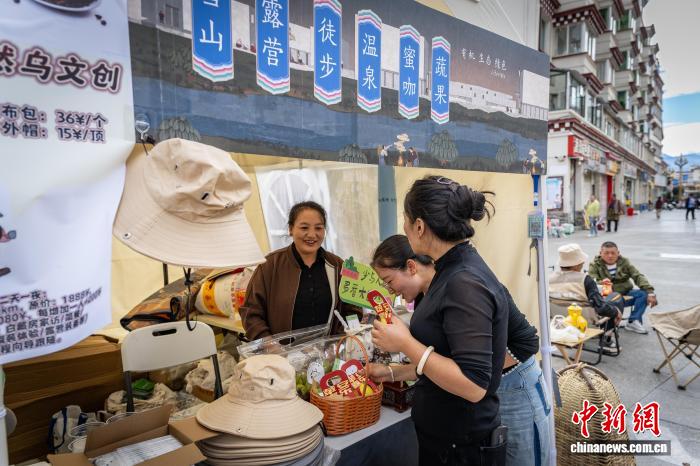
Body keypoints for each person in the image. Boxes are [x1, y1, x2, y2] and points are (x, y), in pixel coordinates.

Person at [370, 235, 549, 466]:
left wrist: (480, 373)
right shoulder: (428, 294)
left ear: (412, 266)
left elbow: (526, 343)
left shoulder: (465, 285)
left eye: (389, 281)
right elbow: (439, 362)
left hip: (514, 385)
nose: (391, 291)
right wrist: (392, 372)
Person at [369, 176, 509, 465]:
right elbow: (444, 358)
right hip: (446, 438)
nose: (404, 228)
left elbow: (473, 384)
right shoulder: (451, 270)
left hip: (461, 445)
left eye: (406, 221)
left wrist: (405, 343)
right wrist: (394, 373)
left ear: (419, 226)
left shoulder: (463, 281)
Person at [240, 201, 360, 340]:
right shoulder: (269, 266)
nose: (312, 234)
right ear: (291, 229)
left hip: (329, 351)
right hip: (282, 351)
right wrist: (270, 345)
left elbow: (353, 309)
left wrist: (342, 339)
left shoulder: (338, 265)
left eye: (318, 228)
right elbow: (250, 313)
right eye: (304, 227)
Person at [549, 244, 624, 352]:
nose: (583, 263)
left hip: (562, 322)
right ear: (577, 264)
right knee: (616, 297)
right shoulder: (585, 279)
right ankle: (606, 339)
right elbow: (601, 308)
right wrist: (616, 312)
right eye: (581, 261)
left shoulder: (549, 279)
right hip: (586, 323)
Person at [588, 241, 657, 334]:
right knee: (608, 293)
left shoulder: (624, 262)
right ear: (600, 253)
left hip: (625, 294)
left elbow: (637, 276)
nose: (610, 256)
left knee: (643, 294)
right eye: (606, 253)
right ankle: (610, 324)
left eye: (613, 253)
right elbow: (592, 280)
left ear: (618, 253)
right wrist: (602, 282)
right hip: (608, 297)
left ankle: (633, 321)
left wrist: (650, 292)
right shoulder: (594, 264)